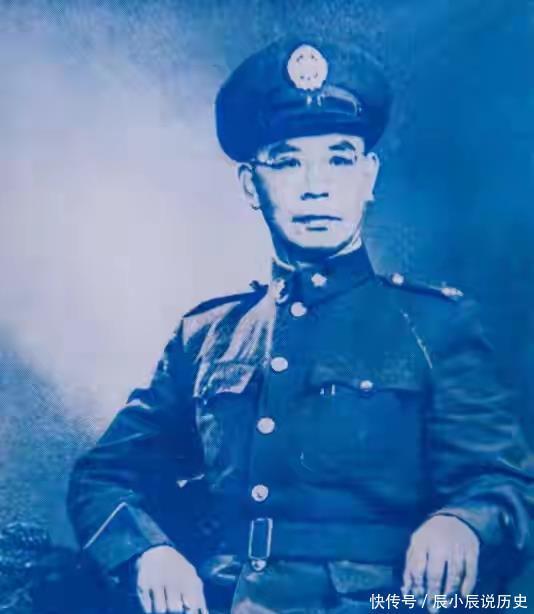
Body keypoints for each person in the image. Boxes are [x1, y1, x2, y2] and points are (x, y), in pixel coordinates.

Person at [68, 37, 533, 613]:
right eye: (288, 161)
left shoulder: (435, 325)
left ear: (368, 177)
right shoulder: (208, 336)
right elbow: (103, 476)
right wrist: (148, 552)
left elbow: (506, 485)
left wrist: (461, 523)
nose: (316, 185)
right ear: (250, 186)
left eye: (339, 159)